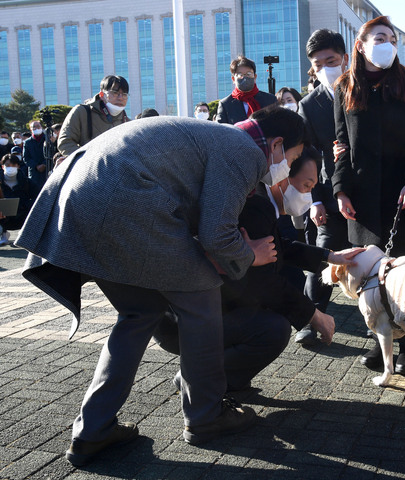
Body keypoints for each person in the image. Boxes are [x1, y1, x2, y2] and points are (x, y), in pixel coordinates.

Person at [15, 105, 307, 466]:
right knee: (201, 303)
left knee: (139, 313)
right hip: (123, 198)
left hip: (80, 194)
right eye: (290, 159)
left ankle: (93, 430)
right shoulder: (245, 148)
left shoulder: (216, 136)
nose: (285, 169)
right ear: (277, 144)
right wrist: (249, 254)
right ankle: (206, 416)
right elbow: (219, 233)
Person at [153, 148, 362, 392]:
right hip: (181, 321)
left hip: (185, 311)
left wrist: (330, 256)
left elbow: (278, 248)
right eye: (306, 185)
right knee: (273, 329)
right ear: (283, 179)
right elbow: (263, 282)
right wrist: (314, 316)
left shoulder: (261, 201)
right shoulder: (255, 206)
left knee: (266, 315)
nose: (307, 195)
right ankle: (198, 379)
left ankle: (225, 382)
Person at [333, 16, 405, 375]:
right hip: (360, 194)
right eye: (379, 37)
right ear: (360, 44)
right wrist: (340, 189)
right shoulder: (345, 85)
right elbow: (340, 144)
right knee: (366, 272)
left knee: (400, 270)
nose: (387, 43)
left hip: (399, 189)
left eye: (391, 38)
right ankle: (380, 342)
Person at [295, 28, 351, 345]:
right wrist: (315, 200)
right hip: (328, 197)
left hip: (367, 194)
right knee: (320, 255)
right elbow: (308, 156)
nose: (326, 68)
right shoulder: (309, 104)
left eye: (331, 60)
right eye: (319, 64)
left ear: (345, 58)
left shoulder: (368, 91)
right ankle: (309, 318)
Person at [58, 74, 130, 156]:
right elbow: (65, 142)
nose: (120, 97)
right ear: (102, 95)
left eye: (124, 94)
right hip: (87, 167)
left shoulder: (128, 122)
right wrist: (89, 160)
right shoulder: (82, 112)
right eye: (115, 93)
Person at [216, 55, 277, 125]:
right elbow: (221, 131)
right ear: (233, 79)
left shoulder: (270, 100)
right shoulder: (226, 104)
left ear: (255, 77)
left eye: (248, 74)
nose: (245, 78)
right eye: (240, 75)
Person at [0, 153, 31, 245]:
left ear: (18, 166)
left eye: (13, 165)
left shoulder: (27, 182)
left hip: (22, 215)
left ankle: (25, 235)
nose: (10, 167)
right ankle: (3, 233)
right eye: (7, 165)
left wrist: (25, 205)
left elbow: (37, 197)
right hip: (3, 217)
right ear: (2, 167)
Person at [23, 120, 48, 199]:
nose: (36, 128)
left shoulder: (48, 139)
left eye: (38, 126)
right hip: (34, 173)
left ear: (41, 127)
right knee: (35, 196)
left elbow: (52, 154)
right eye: (34, 127)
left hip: (47, 171)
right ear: (31, 129)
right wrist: (36, 166)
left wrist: (44, 164)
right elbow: (26, 158)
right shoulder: (27, 142)